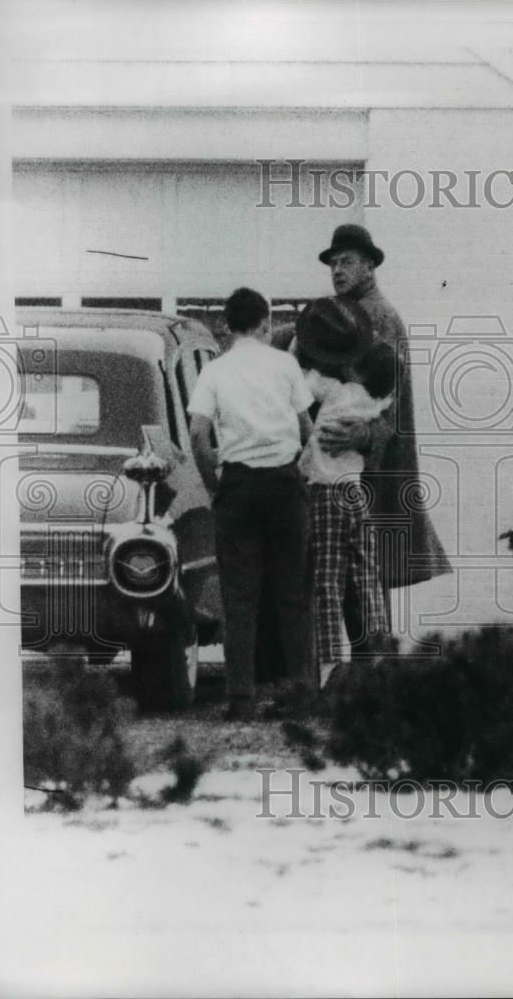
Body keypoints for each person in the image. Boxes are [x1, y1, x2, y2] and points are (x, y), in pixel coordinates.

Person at [316, 224, 452, 636]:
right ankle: (368, 680)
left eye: (347, 262)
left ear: (370, 266)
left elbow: (386, 406)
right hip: (353, 471)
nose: (337, 270)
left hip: (369, 473)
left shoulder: (377, 317)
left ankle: (370, 683)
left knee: (364, 585)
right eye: (334, 263)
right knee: (360, 585)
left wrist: (358, 437)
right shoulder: (351, 314)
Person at [188, 287, 316, 718]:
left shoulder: (215, 371)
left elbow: (197, 437)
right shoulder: (285, 365)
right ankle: (297, 693)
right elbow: (306, 428)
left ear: (224, 325)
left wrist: (214, 486)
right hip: (283, 484)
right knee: (292, 594)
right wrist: (297, 473)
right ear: (265, 324)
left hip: (238, 487)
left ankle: (241, 696)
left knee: (240, 596)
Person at [295, 296, 397, 685]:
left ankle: (329, 670)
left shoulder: (336, 391)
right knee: (367, 578)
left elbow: (301, 387)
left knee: (327, 583)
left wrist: (294, 355)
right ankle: (379, 659)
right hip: (355, 493)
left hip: (325, 494)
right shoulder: (375, 400)